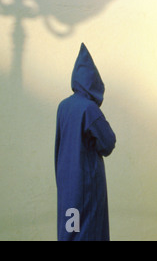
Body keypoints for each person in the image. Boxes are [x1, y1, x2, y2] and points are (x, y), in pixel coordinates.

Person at [55, 43, 116, 241]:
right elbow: (108, 143)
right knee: (89, 232)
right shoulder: (89, 109)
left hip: (67, 185)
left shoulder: (63, 107)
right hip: (86, 185)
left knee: (70, 230)